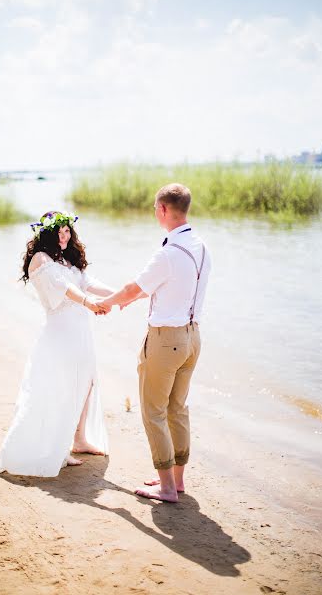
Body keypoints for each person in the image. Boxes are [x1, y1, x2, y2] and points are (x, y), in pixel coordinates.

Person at [98, 184, 211, 502]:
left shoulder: (168, 253)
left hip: (166, 342)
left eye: (154, 208)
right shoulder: (201, 246)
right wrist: (126, 299)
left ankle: (165, 488)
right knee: (178, 409)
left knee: (153, 412)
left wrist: (105, 303)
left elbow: (134, 288)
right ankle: (176, 481)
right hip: (193, 337)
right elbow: (154, 288)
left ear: (163, 209)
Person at [0, 211, 113, 478]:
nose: (64, 236)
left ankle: (79, 439)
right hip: (60, 332)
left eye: (67, 231)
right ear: (46, 233)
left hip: (81, 330)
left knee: (86, 382)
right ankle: (57, 445)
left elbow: (87, 282)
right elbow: (63, 287)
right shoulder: (41, 259)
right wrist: (89, 303)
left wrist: (120, 295)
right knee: (63, 385)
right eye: (59, 232)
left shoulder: (68, 259)